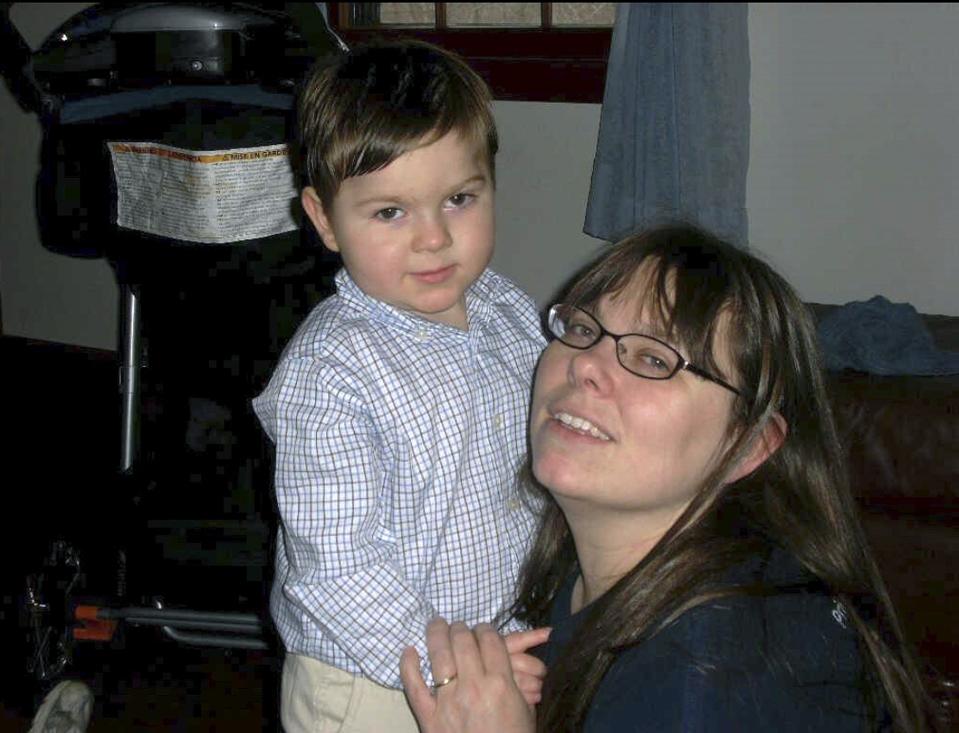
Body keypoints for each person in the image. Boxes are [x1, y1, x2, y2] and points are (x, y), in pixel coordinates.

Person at [401, 225, 943, 732]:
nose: (585, 363)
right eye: (585, 328)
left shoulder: (714, 675)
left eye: (655, 359)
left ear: (747, 445)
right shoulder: (593, 563)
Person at [253, 40, 548, 731]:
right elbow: (337, 573)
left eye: (458, 199)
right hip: (369, 680)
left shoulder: (509, 312)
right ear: (325, 221)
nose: (434, 239)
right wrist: (457, 666)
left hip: (492, 645)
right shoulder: (331, 375)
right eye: (390, 212)